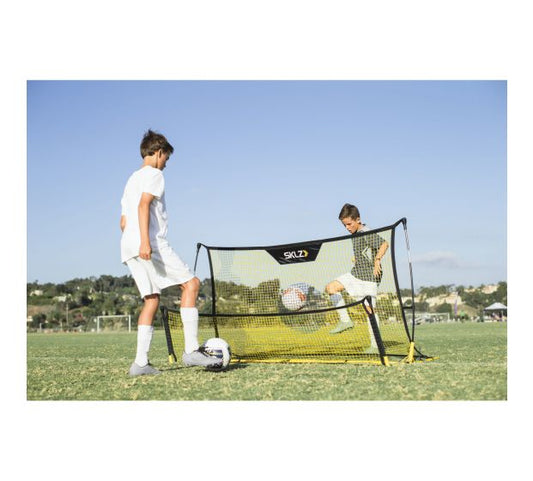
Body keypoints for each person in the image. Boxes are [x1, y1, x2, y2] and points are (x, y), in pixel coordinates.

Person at [120, 130, 221, 376]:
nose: (166, 163)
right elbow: (144, 205)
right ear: (158, 152)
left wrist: (135, 242)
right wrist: (146, 242)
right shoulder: (154, 174)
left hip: (128, 245)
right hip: (150, 242)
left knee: (151, 299)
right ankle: (191, 350)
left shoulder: (131, 179)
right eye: (166, 158)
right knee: (191, 284)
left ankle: (140, 364)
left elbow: (123, 221)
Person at [325, 204, 389, 350]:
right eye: (344, 225)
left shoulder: (365, 232)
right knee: (331, 288)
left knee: (369, 310)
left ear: (358, 219)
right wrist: (358, 258)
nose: (347, 228)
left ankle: (375, 346)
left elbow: (384, 244)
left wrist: (377, 260)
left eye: (349, 224)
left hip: (368, 277)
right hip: (356, 273)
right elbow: (366, 250)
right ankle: (345, 321)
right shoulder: (355, 233)